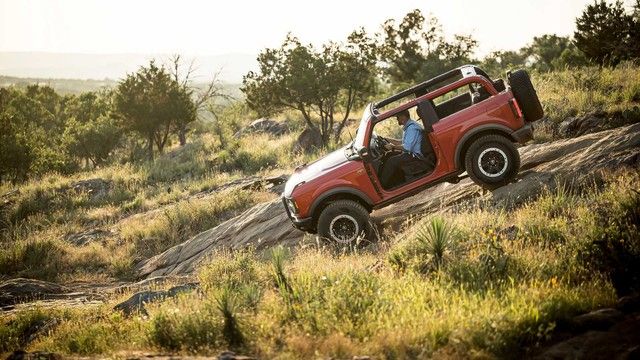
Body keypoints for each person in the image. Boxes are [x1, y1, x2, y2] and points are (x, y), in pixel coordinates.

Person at [379, 109, 430, 188]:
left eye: (397, 118)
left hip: (416, 156)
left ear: (403, 117)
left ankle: (382, 186)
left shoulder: (411, 128)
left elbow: (407, 148)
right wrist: (387, 139)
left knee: (391, 161)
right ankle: (389, 182)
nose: (397, 120)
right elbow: (402, 142)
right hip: (412, 154)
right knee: (390, 154)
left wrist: (392, 146)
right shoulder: (409, 127)